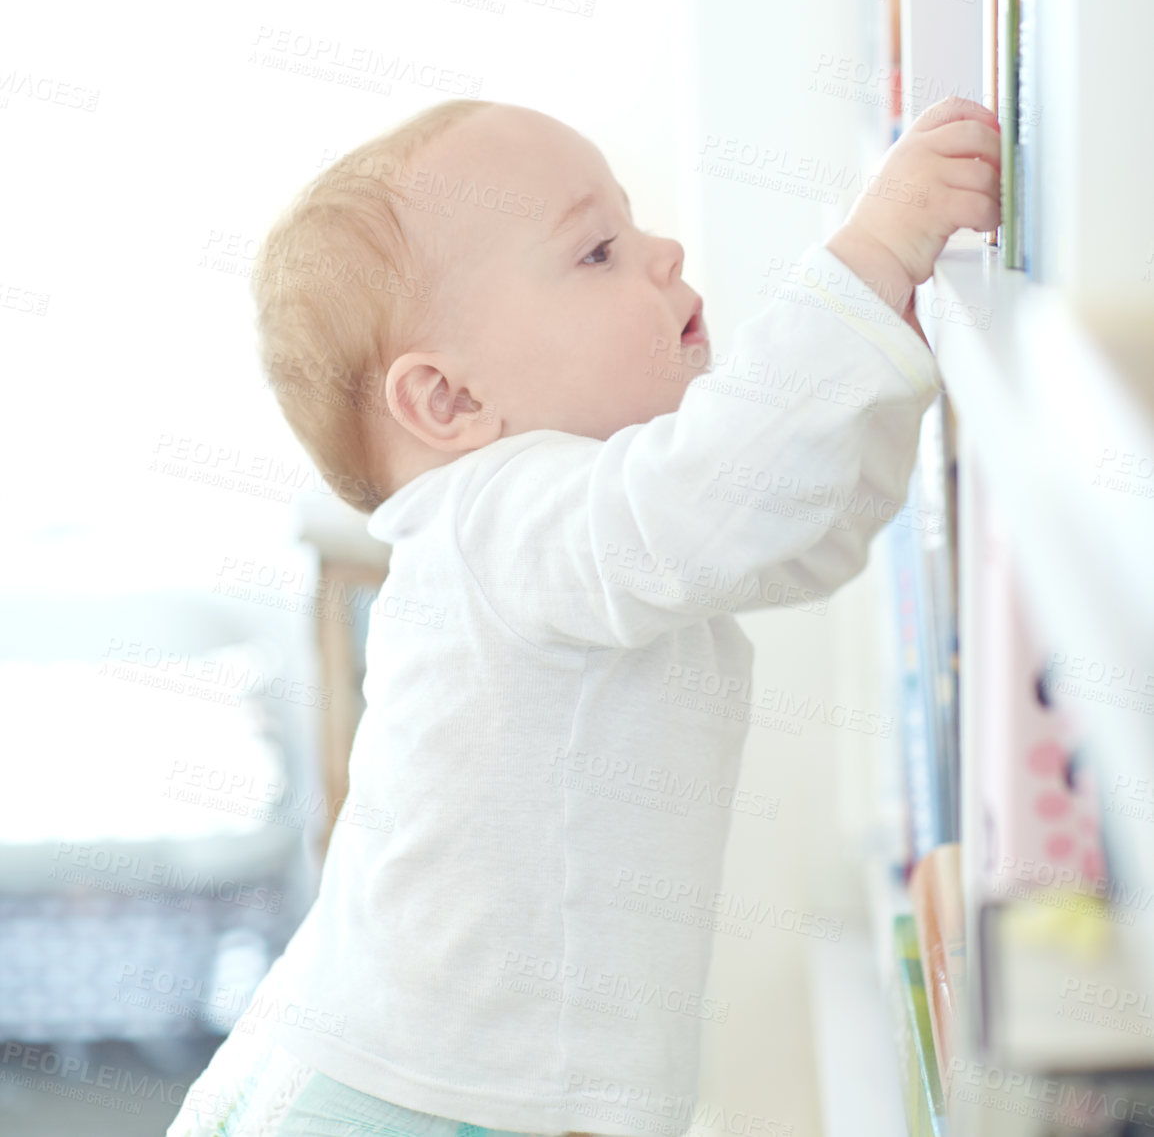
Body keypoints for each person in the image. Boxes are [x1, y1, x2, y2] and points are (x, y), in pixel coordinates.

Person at [167, 94, 1000, 1137]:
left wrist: (887, 339)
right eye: (597, 250)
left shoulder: (566, 521)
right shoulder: (498, 513)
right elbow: (720, 493)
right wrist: (869, 256)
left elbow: (794, 525)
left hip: (453, 1080)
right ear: (451, 403)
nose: (663, 250)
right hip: (415, 1096)